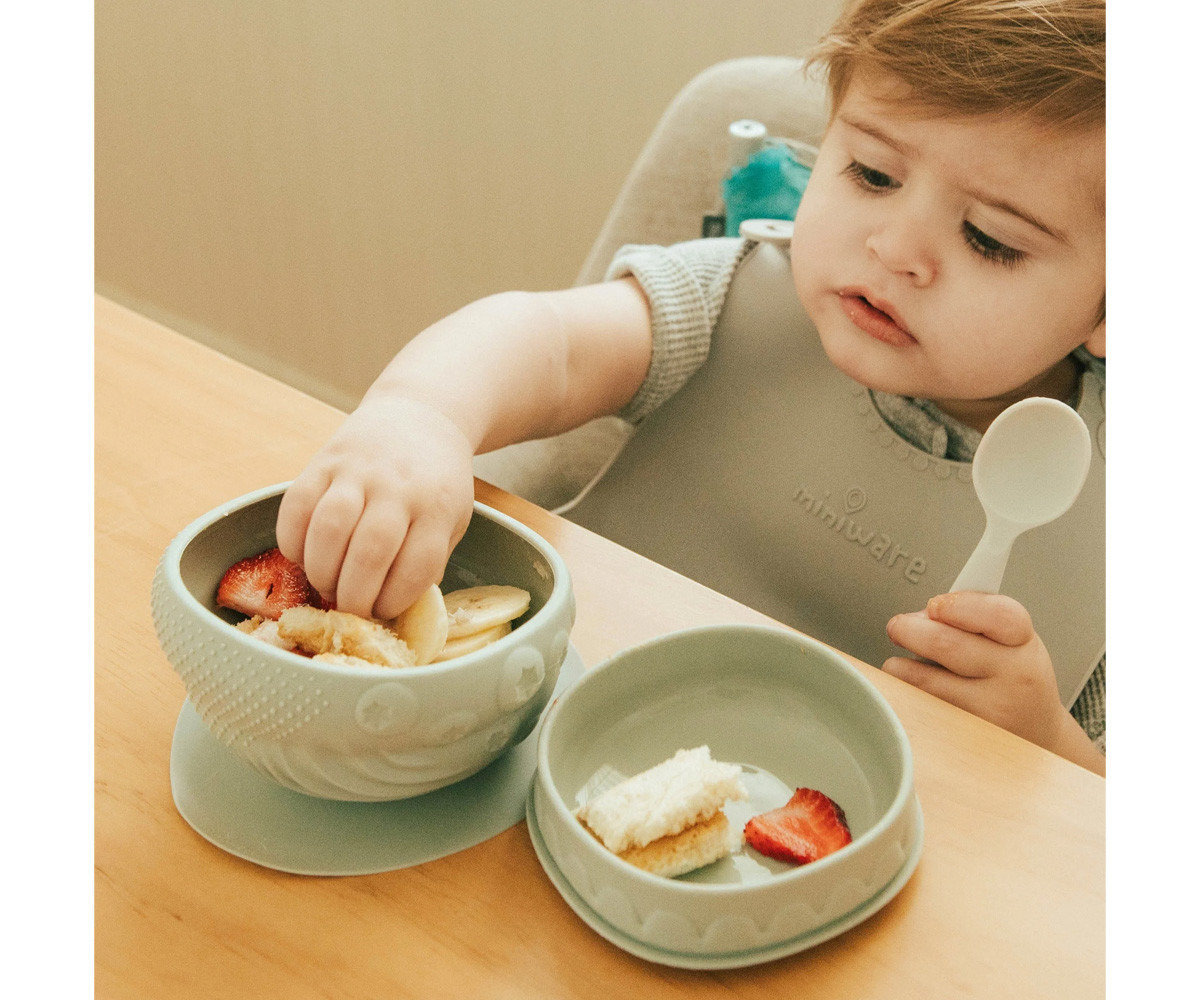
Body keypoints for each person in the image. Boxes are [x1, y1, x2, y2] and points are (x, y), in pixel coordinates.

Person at [276, 0, 1106, 776]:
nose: (894, 248)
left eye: (990, 239)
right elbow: (549, 342)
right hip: (533, 742)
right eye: (872, 174)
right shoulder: (735, 296)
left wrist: (1046, 747)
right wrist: (420, 415)